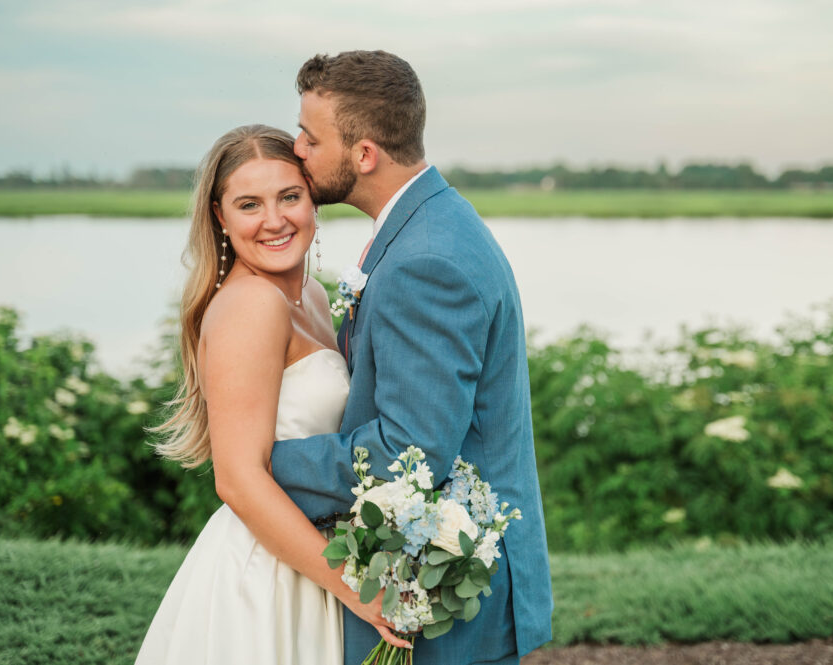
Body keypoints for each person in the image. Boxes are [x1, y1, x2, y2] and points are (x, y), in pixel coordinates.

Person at [270, 50, 554, 665]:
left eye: (310, 137)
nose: (297, 148)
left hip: (447, 601)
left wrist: (262, 464)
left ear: (364, 154)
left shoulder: (426, 260)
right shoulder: (429, 223)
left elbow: (408, 451)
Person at [134, 124, 409, 665]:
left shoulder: (307, 292)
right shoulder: (251, 305)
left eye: (289, 196)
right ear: (220, 217)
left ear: (312, 198)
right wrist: (357, 589)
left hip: (315, 554)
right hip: (267, 574)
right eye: (248, 204)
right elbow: (237, 478)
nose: (275, 220)